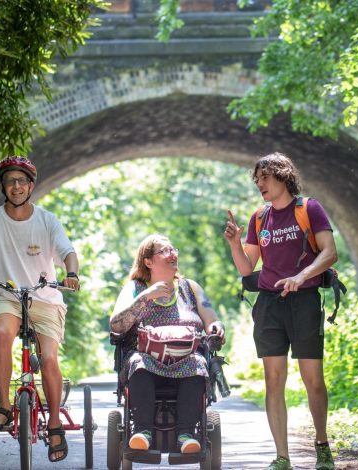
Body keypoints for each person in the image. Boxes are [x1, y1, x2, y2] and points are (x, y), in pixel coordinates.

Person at [224, 152, 337, 470]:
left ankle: (322, 444)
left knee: (313, 379)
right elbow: (248, 269)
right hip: (269, 305)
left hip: (304, 301)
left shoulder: (308, 209)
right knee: (273, 381)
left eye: (265, 177)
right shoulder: (259, 218)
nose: (260, 183)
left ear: (283, 175)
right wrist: (234, 243)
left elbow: (330, 253)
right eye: (257, 179)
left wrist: (301, 276)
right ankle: (282, 457)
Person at [0, 155, 80, 463]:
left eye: (21, 181)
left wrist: (71, 273)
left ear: (31, 185)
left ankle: (54, 423)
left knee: (50, 359)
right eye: (10, 181)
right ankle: (3, 407)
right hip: (7, 296)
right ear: (3, 186)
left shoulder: (47, 220)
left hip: (45, 298)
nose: (16, 186)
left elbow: (68, 252)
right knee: (1, 331)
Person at [110, 234, 225, 454]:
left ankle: (186, 435)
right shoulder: (135, 288)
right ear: (148, 261)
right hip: (147, 360)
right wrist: (145, 297)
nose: (172, 254)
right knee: (137, 361)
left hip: (186, 359)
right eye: (164, 250)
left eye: (173, 249)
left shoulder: (190, 288)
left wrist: (217, 328)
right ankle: (142, 433)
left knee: (199, 362)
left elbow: (212, 320)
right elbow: (116, 325)